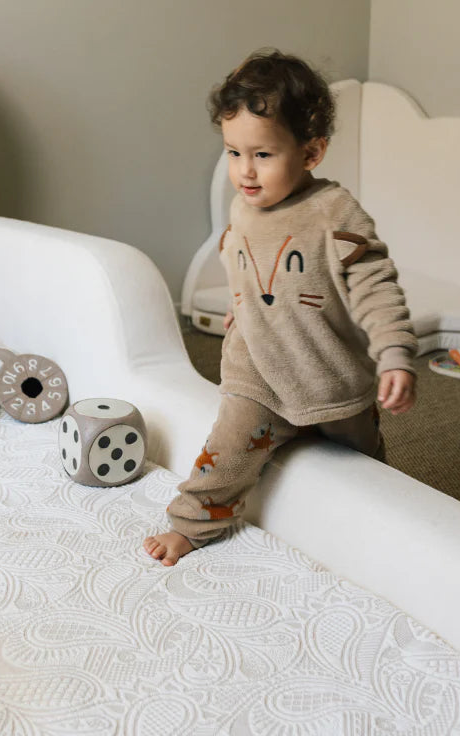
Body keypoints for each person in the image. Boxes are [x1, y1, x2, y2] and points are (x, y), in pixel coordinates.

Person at [144, 50, 417, 566]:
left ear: (311, 152)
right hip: (259, 372)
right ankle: (193, 523)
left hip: (329, 375)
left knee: (366, 466)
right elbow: (239, 257)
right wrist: (241, 307)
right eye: (232, 153)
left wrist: (395, 352)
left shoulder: (334, 213)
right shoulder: (242, 206)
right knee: (224, 452)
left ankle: (383, 524)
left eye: (263, 156)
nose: (244, 172)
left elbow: (376, 284)